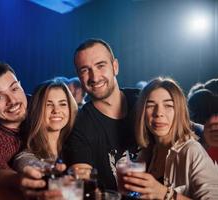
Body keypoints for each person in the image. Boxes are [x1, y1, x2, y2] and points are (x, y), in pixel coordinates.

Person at [0, 62, 63, 198]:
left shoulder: (40, 104)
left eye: (14, 89)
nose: (12, 101)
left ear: (20, 85)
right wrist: (22, 180)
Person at [63, 39, 140, 190]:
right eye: (85, 70)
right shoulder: (78, 125)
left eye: (100, 66)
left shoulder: (144, 102)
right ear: (79, 77)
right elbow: (82, 183)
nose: (95, 77)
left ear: (115, 67)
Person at [123, 77, 218, 199]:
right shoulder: (148, 151)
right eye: (150, 105)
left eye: (168, 105)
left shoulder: (191, 150)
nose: (159, 113)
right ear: (142, 112)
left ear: (179, 111)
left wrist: (164, 193)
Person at [13, 79, 77, 172]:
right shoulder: (26, 155)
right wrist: (50, 169)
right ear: (37, 110)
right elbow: (23, 162)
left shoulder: (77, 146)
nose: (56, 110)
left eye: (63, 104)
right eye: (48, 104)